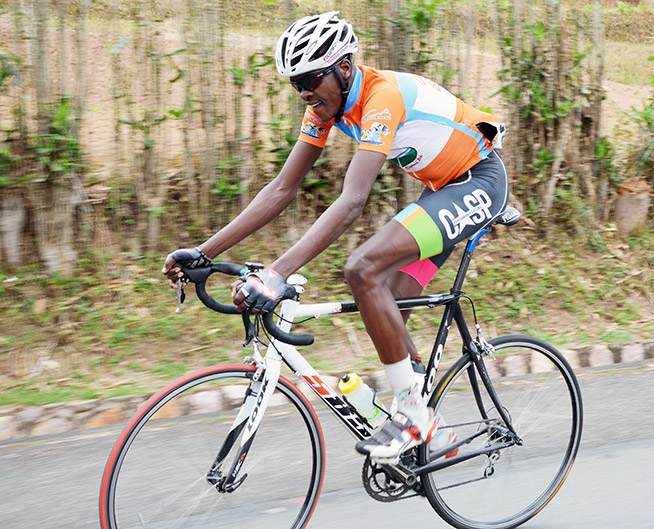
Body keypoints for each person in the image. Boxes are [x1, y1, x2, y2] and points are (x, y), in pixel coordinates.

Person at [162, 11, 508, 463]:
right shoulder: (326, 107)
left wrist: (276, 272)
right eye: (295, 83)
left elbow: (352, 201)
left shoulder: (381, 97)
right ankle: (430, 427)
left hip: (478, 182)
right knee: (388, 302)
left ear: (344, 68)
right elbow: (283, 188)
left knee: (362, 269)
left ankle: (412, 418)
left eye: (310, 78)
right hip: (440, 189)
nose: (305, 92)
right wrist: (204, 253)